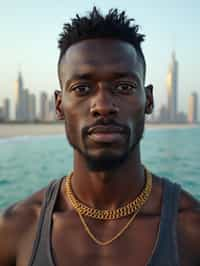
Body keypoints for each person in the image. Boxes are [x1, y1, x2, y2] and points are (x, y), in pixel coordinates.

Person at [0, 7, 200, 266]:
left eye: (124, 87)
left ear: (148, 100)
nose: (103, 105)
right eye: (82, 88)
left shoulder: (191, 229)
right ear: (60, 105)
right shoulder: (17, 228)